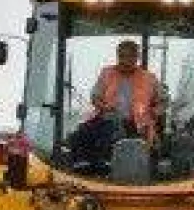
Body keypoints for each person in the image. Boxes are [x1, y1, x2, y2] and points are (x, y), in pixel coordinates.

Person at [65, 39, 162, 171]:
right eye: (121, 56)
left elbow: (162, 101)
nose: (125, 60)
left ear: (137, 57)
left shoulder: (149, 78)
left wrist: (153, 113)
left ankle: (106, 163)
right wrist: (104, 107)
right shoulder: (106, 73)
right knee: (81, 133)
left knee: (113, 134)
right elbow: (95, 97)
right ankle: (83, 164)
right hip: (108, 119)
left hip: (139, 126)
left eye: (129, 56)